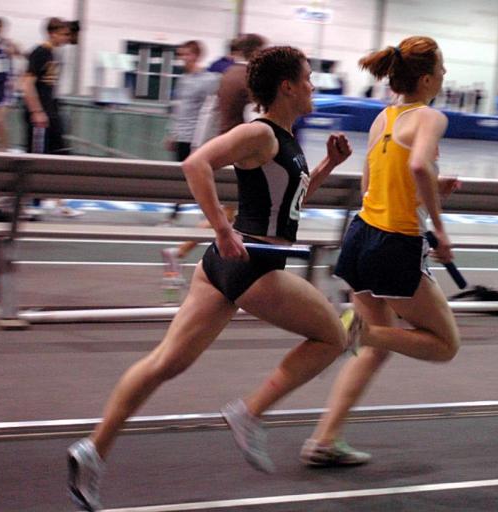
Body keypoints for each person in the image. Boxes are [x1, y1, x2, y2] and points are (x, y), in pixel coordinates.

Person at [66, 45, 355, 511]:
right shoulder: (258, 133)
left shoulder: (283, 137)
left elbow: (287, 205)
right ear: (287, 86)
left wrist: (325, 167)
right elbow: (195, 163)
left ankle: (93, 452)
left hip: (226, 264)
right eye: (307, 79)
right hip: (252, 262)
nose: (313, 87)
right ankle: (250, 414)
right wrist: (221, 229)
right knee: (333, 337)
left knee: (166, 362)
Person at [299, 36, 461, 467]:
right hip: (395, 243)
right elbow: (416, 165)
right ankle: (358, 330)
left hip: (361, 237)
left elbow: (372, 189)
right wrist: (440, 230)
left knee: (376, 348)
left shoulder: (382, 118)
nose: (445, 76)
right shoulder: (429, 117)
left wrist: (429, 192)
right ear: (426, 78)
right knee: (444, 344)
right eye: (442, 70)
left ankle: (324, 440)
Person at [160, 34, 266, 291]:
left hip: (225, 147)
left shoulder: (226, 76)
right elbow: (257, 118)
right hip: (241, 152)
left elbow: (211, 113)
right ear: (255, 53)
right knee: (234, 212)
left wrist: (201, 146)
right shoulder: (248, 79)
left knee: (230, 212)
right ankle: (183, 254)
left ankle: (189, 255)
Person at [21, 17, 81, 217]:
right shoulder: (41, 52)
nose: (66, 38)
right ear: (52, 33)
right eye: (63, 34)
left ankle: (56, 201)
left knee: (56, 155)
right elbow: (27, 84)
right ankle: (29, 201)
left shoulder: (53, 54)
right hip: (39, 115)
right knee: (35, 158)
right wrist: (37, 111)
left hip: (50, 111)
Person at [163, 40, 221, 223]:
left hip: (196, 138)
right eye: (181, 55)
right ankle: (176, 212)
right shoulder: (183, 80)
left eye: (186, 54)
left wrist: (202, 140)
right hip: (182, 135)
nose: (182, 59)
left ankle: (212, 214)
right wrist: (172, 133)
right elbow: (179, 109)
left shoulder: (208, 80)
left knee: (198, 177)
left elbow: (211, 109)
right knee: (181, 176)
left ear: (196, 55)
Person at [0, 17, 20, 151]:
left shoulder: (8, 43)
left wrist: (13, 52)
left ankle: (5, 148)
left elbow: (20, 54)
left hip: (7, 85)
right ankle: (2, 146)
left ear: (3, 28)